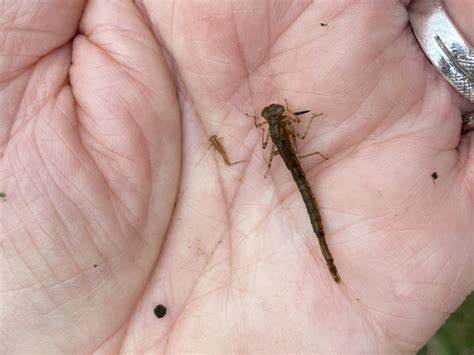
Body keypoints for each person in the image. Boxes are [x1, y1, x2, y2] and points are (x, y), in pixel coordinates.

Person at [0, 0, 472, 353]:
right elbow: (292, 126)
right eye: (274, 115)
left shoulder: (274, 128)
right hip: (297, 168)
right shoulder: (283, 124)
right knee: (308, 194)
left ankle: (330, 259)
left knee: (308, 191)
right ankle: (328, 259)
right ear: (275, 119)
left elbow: (283, 134)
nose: (274, 115)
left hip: (295, 167)